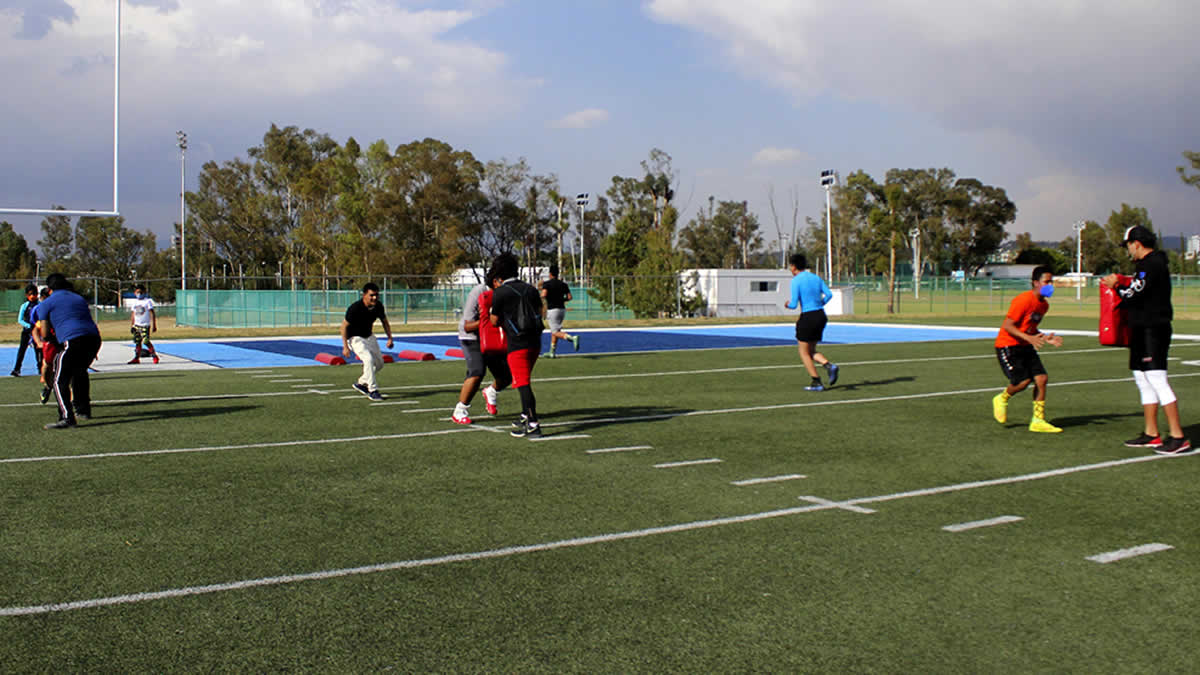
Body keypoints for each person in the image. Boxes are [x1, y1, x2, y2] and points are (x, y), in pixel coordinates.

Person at [1101, 225, 1192, 455]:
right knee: (1142, 378)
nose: (1128, 250)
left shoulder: (1152, 264)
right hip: (1141, 328)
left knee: (1156, 377)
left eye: (1129, 245)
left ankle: (1178, 436)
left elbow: (1134, 294)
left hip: (1154, 328)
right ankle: (1152, 433)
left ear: (1137, 244)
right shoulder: (1146, 266)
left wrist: (1117, 286)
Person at [991, 266, 1065, 433]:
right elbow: (1008, 326)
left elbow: (1029, 328)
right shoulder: (1023, 300)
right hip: (1008, 345)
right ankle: (1002, 398)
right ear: (1035, 283)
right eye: (1047, 282)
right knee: (1022, 382)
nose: (1050, 285)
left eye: (1052, 282)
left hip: (1024, 345)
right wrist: (1030, 339)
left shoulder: (1044, 306)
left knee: (1041, 379)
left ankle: (1038, 420)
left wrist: (1045, 337)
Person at [489, 253, 546, 438]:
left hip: (516, 343)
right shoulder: (530, 289)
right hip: (535, 342)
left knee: (522, 384)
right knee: (523, 380)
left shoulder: (500, 293)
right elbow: (540, 312)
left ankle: (533, 423)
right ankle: (524, 416)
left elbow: (494, 321)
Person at [37, 273, 102, 429]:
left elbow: (45, 334)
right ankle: (83, 410)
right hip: (93, 339)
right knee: (80, 372)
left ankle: (67, 417)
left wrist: (56, 341)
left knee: (59, 380)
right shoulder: (78, 298)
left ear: (49, 289)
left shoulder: (46, 303)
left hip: (72, 340)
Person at [451, 270, 513, 424]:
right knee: (477, 371)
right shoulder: (479, 292)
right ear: (495, 281)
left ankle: (491, 391)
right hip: (472, 337)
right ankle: (460, 410)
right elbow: (467, 326)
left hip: (491, 338)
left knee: (506, 376)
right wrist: (487, 320)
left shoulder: (504, 295)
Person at [785, 253, 839, 391]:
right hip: (820, 315)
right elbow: (829, 295)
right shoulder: (816, 277)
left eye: (790, 266)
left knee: (803, 352)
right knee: (811, 350)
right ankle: (829, 366)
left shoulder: (796, 280)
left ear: (794, 266)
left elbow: (793, 304)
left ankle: (817, 382)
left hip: (807, 317)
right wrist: (820, 303)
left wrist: (786, 304)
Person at [341, 282, 394, 402]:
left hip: (369, 336)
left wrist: (390, 338)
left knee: (379, 364)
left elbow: (385, 322)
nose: (374, 298)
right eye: (371, 295)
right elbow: (343, 326)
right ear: (364, 295)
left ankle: (361, 382)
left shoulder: (378, 306)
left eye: (376, 295)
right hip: (355, 338)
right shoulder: (355, 308)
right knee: (368, 359)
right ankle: (373, 390)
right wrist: (345, 346)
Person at [540, 265, 580, 358]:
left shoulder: (547, 284)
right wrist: (561, 299)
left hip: (552, 309)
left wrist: (542, 296)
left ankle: (571, 338)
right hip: (562, 309)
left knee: (554, 332)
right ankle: (552, 352)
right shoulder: (563, 284)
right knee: (556, 330)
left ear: (550, 274)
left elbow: (543, 294)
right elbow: (569, 297)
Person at [30, 287, 57, 405]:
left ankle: (75, 401)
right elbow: (35, 329)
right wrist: (39, 342)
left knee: (70, 371)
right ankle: (47, 387)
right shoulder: (45, 311)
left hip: (65, 342)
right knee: (46, 367)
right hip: (51, 344)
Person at [11, 284, 41, 377]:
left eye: (34, 294)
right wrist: (28, 326)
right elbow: (20, 320)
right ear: (27, 295)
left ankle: (41, 369)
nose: (32, 296)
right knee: (22, 350)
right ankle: (17, 369)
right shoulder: (24, 306)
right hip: (26, 332)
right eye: (30, 294)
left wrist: (37, 327)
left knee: (38, 351)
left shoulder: (40, 305)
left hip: (37, 332)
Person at [127, 283, 159, 365]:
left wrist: (154, 325)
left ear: (144, 292)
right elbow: (133, 314)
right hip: (137, 325)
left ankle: (154, 356)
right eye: (137, 292)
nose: (139, 294)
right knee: (137, 341)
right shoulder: (134, 302)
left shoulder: (147, 302)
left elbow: (152, 313)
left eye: (141, 292)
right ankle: (136, 358)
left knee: (146, 341)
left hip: (145, 325)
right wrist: (132, 325)